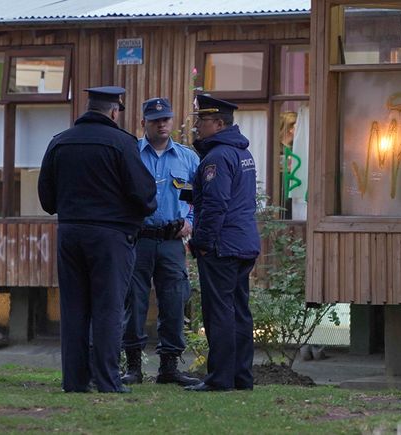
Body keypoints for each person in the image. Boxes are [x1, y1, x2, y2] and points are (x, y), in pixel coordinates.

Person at [38, 86, 157, 393]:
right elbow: (144, 194)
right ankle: (107, 380)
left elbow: (47, 200)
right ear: (114, 111)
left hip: (70, 233)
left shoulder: (59, 143)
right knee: (108, 307)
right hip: (111, 237)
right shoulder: (122, 143)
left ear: (88, 107)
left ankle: (75, 381)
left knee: (74, 307)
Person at [120, 97, 201, 386]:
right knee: (134, 303)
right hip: (138, 240)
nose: (162, 124)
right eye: (155, 120)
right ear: (143, 123)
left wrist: (191, 221)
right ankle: (133, 368)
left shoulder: (188, 158)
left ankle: (169, 368)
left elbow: (198, 200)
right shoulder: (129, 155)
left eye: (166, 118)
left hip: (171, 242)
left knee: (174, 302)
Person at [184, 94, 261, 392]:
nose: (197, 126)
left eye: (201, 121)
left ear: (218, 123)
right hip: (243, 242)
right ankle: (241, 376)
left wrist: (201, 242)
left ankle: (219, 378)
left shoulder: (216, 157)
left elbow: (217, 204)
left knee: (219, 313)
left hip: (222, 245)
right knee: (239, 311)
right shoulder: (243, 154)